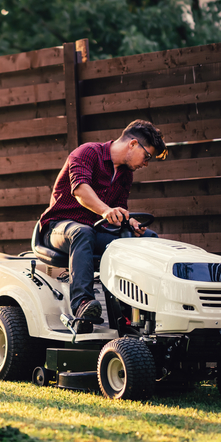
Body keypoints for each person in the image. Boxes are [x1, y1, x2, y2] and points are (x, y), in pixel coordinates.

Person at [38, 120, 167, 320]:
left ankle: (136, 312)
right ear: (132, 144)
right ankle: (82, 303)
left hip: (94, 229)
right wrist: (106, 210)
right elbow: (80, 189)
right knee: (82, 232)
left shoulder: (125, 175)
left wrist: (128, 222)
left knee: (148, 240)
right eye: (147, 156)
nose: (146, 163)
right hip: (58, 228)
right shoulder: (87, 153)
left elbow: (118, 211)